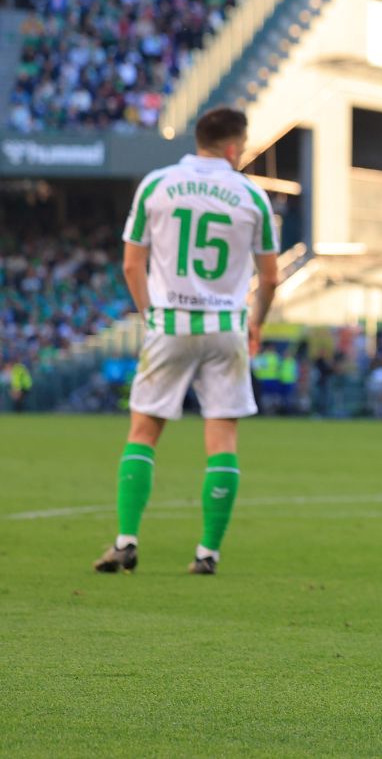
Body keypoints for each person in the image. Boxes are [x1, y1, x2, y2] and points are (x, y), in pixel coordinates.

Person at [93, 107, 280, 577]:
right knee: (222, 438)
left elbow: (132, 265)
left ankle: (126, 542)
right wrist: (257, 323)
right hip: (226, 327)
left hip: (170, 323)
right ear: (235, 147)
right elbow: (271, 276)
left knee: (143, 432)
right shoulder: (252, 196)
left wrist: (149, 312)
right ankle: (207, 553)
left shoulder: (157, 184)